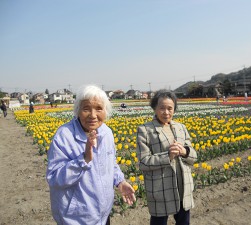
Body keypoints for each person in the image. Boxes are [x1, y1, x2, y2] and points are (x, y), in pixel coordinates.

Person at [46, 84, 136, 225]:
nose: (93, 115)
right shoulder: (64, 137)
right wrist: (83, 159)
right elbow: (54, 179)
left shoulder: (106, 133)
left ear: (106, 111)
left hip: (103, 214)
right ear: (77, 111)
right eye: (86, 109)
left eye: (99, 108)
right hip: (77, 218)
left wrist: (120, 181)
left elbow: (111, 163)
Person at [136, 89, 197, 225]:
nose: (166, 112)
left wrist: (184, 151)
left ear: (174, 109)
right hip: (161, 188)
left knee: (183, 222)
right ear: (154, 108)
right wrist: (167, 156)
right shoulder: (145, 130)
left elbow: (193, 156)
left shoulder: (181, 127)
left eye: (170, 108)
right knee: (159, 222)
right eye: (162, 108)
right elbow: (143, 162)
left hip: (182, 186)